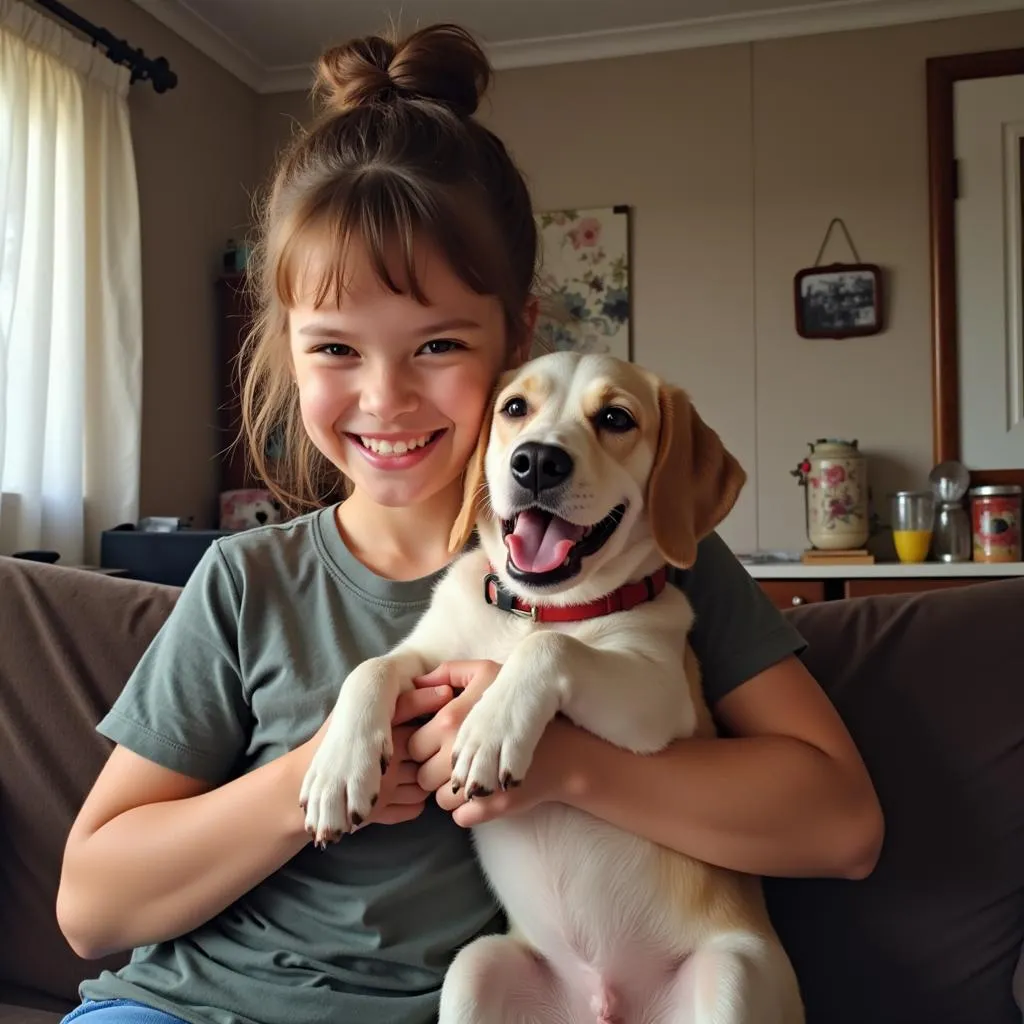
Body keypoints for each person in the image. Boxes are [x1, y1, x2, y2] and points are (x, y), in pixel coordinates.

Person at [54, 21, 883, 1024]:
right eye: (334, 350)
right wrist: (311, 777)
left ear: (518, 335)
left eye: (437, 343)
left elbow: (839, 825)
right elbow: (92, 906)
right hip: (183, 1007)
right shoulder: (247, 582)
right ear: (288, 349)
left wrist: (570, 762)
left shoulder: (646, 551)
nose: (385, 398)